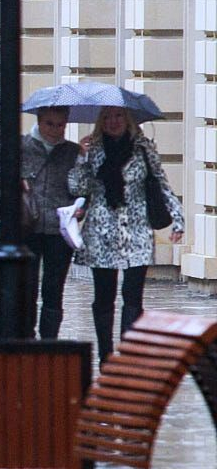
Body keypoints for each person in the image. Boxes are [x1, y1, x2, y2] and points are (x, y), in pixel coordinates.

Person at [70, 106, 183, 357]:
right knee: (104, 296)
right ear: (101, 122)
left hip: (136, 229)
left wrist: (178, 219)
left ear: (128, 119)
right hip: (101, 231)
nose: (113, 121)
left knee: (133, 296)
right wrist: (81, 157)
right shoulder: (93, 150)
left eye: (119, 116)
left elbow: (162, 184)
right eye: (107, 117)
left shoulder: (143, 149)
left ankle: (128, 353)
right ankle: (106, 355)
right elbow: (78, 187)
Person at [0, 105, 81, 339]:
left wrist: (86, 163)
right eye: (50, 124)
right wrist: (12, 180)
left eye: (60, 124)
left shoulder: (73, 152)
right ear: (40, 122)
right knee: (27, 289)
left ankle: (50, 341)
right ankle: (28, 338)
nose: (55, 130)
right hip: (26, 228)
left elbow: (84, 188)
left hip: (58, 230)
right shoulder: (21, 145)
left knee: (54, 290)